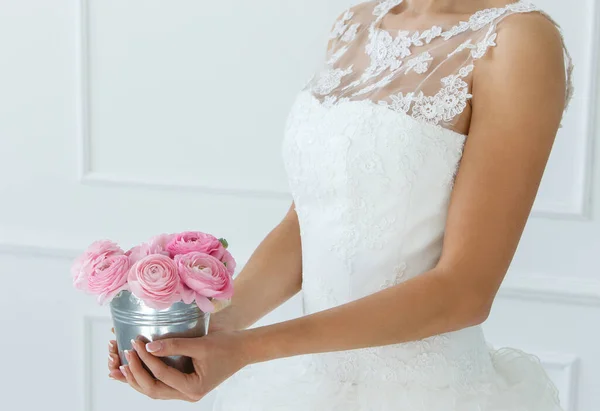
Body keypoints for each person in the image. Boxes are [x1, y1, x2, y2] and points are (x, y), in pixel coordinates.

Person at [107, 0, 574, 409]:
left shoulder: (517, 39)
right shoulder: (356, 23)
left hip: (430, 392)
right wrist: (210, 331)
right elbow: (305, 223)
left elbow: (465, 291)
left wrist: (248, 349)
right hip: (314, 384)